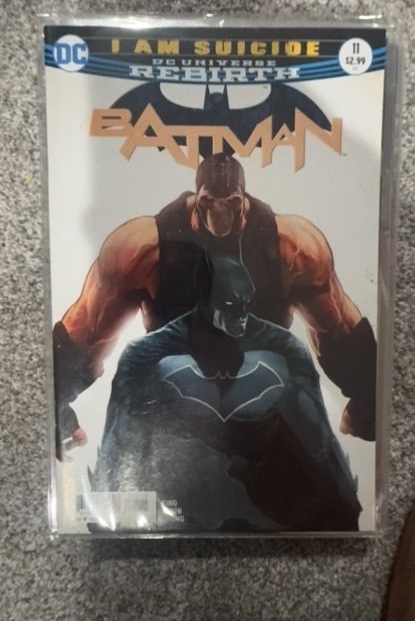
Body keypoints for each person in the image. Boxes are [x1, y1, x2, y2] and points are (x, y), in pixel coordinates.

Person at [53, 153, 376, 456]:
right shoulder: (140, 249)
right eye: (208, 203)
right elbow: (89, 330)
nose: (218, 217)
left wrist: (369, 399)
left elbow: (338, 329)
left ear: (242, 199)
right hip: (173, 413)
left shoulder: (294, 248)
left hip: (262, 404)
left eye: (231, 203)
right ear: (198, 197)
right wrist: (54, 407)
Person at [91, 255, 362, 532]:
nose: (242, 315)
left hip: (267, 493)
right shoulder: (147, 352)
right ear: (206, 302)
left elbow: (317, 433)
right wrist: (107, 508)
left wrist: (342, 506)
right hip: (183, 495)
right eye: (232, 306)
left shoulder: (284, 348)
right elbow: (121, 434)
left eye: (247, 303)